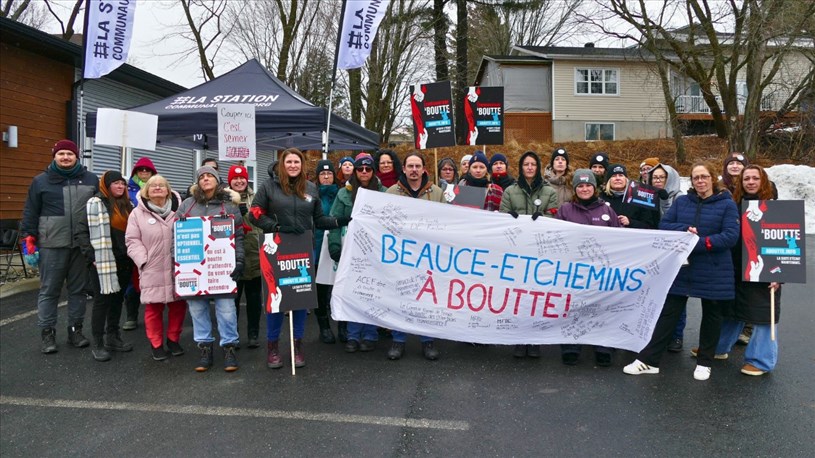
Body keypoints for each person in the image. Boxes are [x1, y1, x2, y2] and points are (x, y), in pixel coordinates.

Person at [624, 161, 739, 381]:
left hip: (714, 267)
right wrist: (684, 229)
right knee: (669, 312)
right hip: (683, 267)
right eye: (696, 177)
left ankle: (704, 362)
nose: (700, 181)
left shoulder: (727, 204)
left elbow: (730, 236)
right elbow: (665, 225)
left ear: (712, 178)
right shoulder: (683, 202)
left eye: (704, 176)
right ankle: (649, 361)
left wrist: (698, 243)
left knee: (712, 315)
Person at [248, 148, 350, 369]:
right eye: (289, 162)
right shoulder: (269, 186)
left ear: (302, 165)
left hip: (303, 249)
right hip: (276, 248)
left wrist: (340, 221)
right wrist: (275, 227)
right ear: (282, 164)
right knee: (276, 299)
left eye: (297, 162)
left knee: (300, 298)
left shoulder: (311, 188)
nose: (293, 165)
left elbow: (320, 219)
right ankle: (273, 346)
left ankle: (297, 344)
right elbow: (254, 213)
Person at [21, 139, 98, 353]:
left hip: (81, 246)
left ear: (77, 156)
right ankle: (48, 334)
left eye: (69, 154)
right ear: (54, 156)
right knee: (49, 291)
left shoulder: (91, 179)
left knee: (78, 291)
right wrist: (28, 240)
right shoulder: (41, 181)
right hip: (51, 244)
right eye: (61, 153)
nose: (65, 157)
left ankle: (75, 331)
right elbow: (30, 212)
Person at [714, 165, 781, 376]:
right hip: (735, 267)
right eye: (746, 179)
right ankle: (718, 347)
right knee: (731, 311)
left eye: (755, 178)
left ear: (764, 181)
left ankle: (761, 360)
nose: (750, 182)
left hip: (764, 269)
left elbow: (786, 244)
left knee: (763, 314)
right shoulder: (734, 206)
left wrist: (780, 275)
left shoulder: (775, 208)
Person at [177, 166, 245, 372]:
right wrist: (177, 261)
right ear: (197, 182)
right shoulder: (187, 205)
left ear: (217, 180)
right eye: (202, 177)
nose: (206, 179)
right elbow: (176, 235)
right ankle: (205, 347)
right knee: (197, 310)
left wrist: (239, 260)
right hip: (193, 266)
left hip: (222, 268)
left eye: (210, 176)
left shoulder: (229, 205)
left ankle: (229, 347)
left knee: (227, 310)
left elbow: (239, 236)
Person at [556, 169, 621, 366]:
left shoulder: (606, 211)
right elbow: (555, 238)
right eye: (580, 186)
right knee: (573, 306)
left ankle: (603, 346)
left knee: (601, 307)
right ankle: (571, 346)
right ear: (575, 189)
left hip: (601, 270)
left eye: (588, 185)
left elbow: (621, 238)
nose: (584, 189)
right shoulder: (566, 210)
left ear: (594, 188)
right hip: (574, 270)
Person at [500, 151, 559, 358]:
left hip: (540, 251)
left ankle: (534, 341)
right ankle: (519, 339)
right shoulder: (510, 191)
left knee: (537, 297)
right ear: (521, 167)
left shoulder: (549, 191)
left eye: (533, 164)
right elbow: (502, 217)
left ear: (538, 167)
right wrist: (510, 218)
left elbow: (554, 217)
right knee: (518, 296)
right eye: (526, 164)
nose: (530, 167)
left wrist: (540, 218)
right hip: (517, 250)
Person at [385, 152, 445, 360]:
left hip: (427, 254)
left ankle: (427, 340)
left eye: (417, 166)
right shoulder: (391, 192)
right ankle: (398, 340)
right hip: (400, 254)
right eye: (410, 166)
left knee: (426, 297)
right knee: (400, 295)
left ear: (424, 169)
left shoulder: (436, 192)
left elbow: (447, 221)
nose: (414, 170)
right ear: (403, 169)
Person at [125, 175, 187, 362]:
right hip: (152, 267)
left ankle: (173, 340)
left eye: (161, 185)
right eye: (153, 186)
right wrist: (143, 261)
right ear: (146, 191)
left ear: (168, 190)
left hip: (178, 267)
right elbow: (132, 240)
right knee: (153, 307)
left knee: (178, 305)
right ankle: (156, 344)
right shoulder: (137, 214)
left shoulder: (180, 210)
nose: (158, 188)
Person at [329, 154, 387, 353]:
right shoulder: (343, 193)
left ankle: (370, 335)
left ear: (373, 171)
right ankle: (353, 335)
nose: (364, 172)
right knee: (353, 293)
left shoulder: (383, 192)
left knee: (372, 293)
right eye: (360, 169)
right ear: (354, 171)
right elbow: (334, 220)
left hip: (375, 251)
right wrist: (334, 245)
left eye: (368, 169)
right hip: (351, 249)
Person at [76, 171, 135, 361]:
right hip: (102, 261)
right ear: (106, 185)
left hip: (124, 260)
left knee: (117, 300)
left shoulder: (128, 205)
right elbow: (81, 231)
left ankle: (113, 337)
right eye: (115, 183)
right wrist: (91, 256)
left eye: (122, 183)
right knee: (102, 302)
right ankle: (98, 343)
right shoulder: (95, 203)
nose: (120, 186)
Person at [647, 162, 689, 353]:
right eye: (654, 177)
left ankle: (676, 335)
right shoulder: (647, 196)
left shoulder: (681, 198)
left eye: (661, 177)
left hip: (673, 254)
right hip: (653, 252)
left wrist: (664, 201)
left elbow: (670, 221)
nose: (657, 181)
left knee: (675, 295)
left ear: (670, 178)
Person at [228, 165, 262, 349]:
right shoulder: (223, 197)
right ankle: (232, 334)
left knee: (254, 298)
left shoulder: (256, 197)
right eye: (235, 178)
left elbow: (261, 221)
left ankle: (253, 333)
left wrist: (247, 215)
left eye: (242, 178)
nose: (239, 181)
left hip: (254, 253)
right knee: (232, 300)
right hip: (231, 255)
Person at [123, 157, 158, 331]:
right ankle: (131, 315)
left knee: (155, 278)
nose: (144, 172)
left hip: (154, 240)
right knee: (132, 279)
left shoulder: (158, 188)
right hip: (133, 238)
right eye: (140, 169)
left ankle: (156, 315)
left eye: (147, 170)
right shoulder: (126, 191)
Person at [314, 159, 343, 344]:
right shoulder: (312, 194)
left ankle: (343, 325)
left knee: (339, 288)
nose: (326, 177)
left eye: (329, 173)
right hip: (317, 248)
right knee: (321, 289)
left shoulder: (341, 193)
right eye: (322, 174)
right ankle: (324, 326)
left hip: (338, 245)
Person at [602, 164, 658, 229]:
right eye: (614, 176)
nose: (617, 178)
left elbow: (649, 225)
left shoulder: (639, 198)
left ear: (626, 179)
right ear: (609, 180)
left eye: (621, 175)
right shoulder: (601, 199)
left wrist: (630, 222)